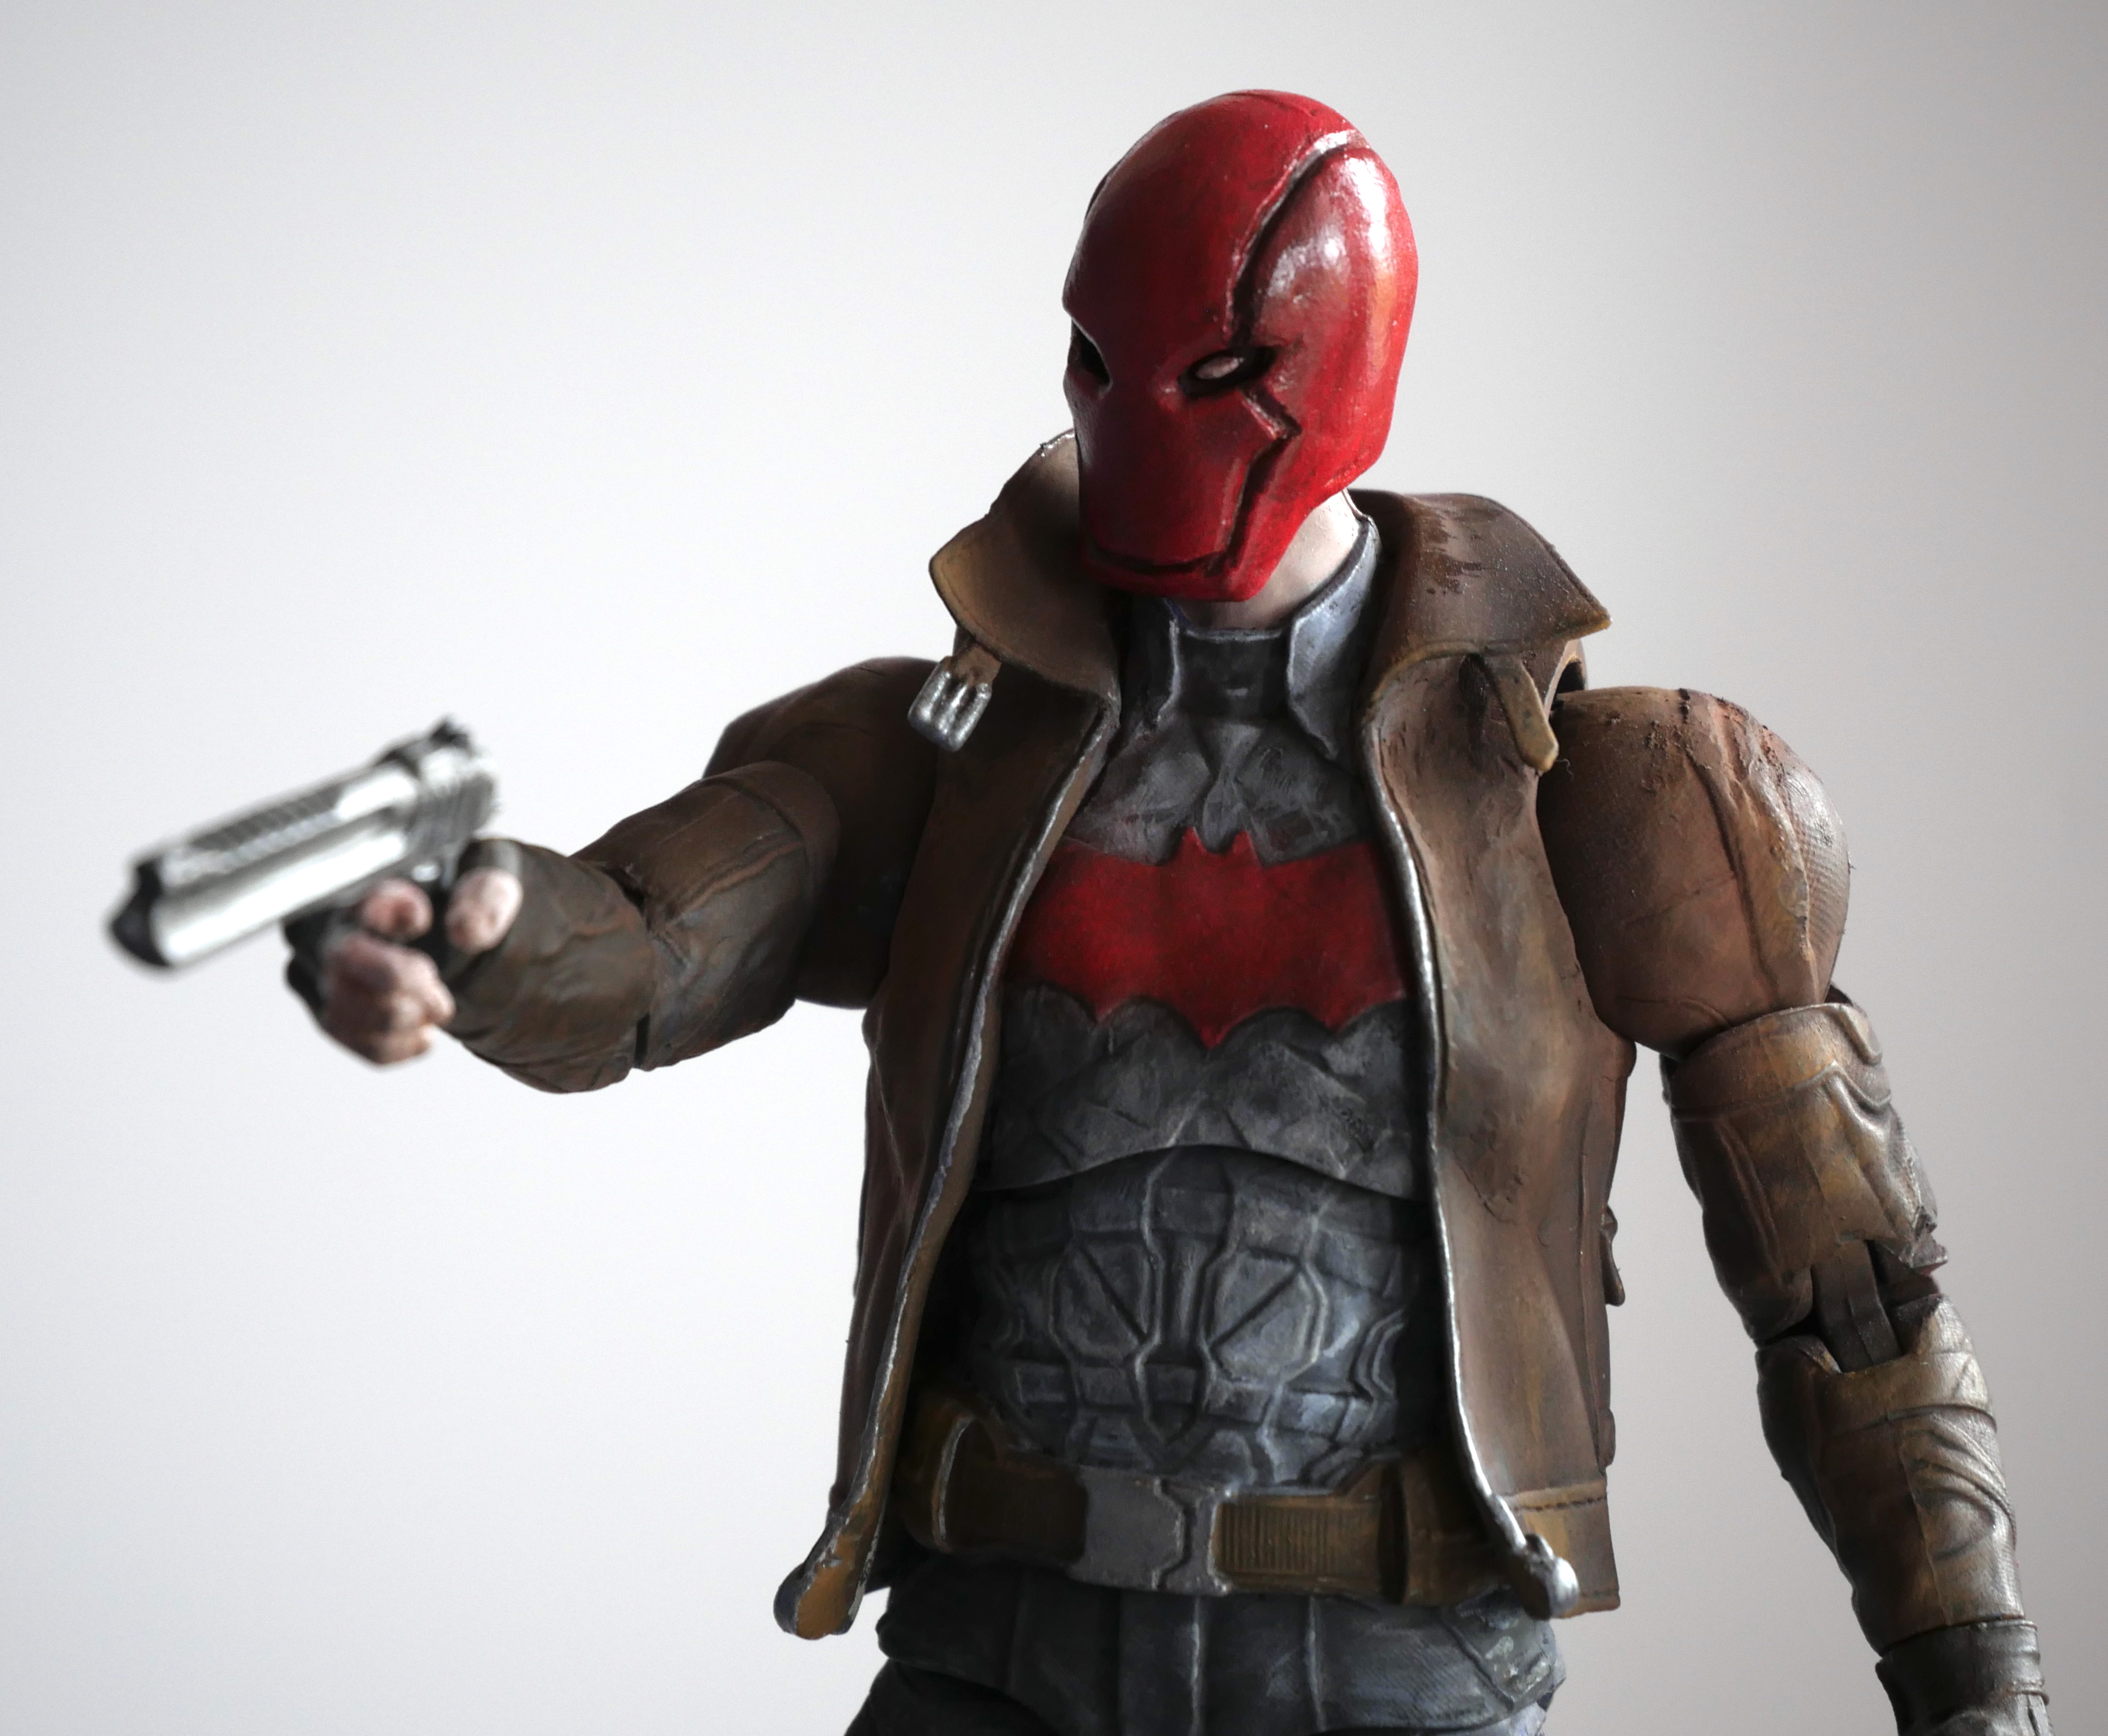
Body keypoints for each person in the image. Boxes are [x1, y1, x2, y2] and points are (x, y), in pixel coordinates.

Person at [294, 91, 2051, 1736]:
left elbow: (1849, 1286)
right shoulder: (932, 754)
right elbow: (636, 955)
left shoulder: (1605, 795)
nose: (1143, 421)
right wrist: (469, 934)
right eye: (1098, 363)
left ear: (1340, 363)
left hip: (1401, 1664)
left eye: (1217, 372)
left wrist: (1971, 1673)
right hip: (995, 1645)